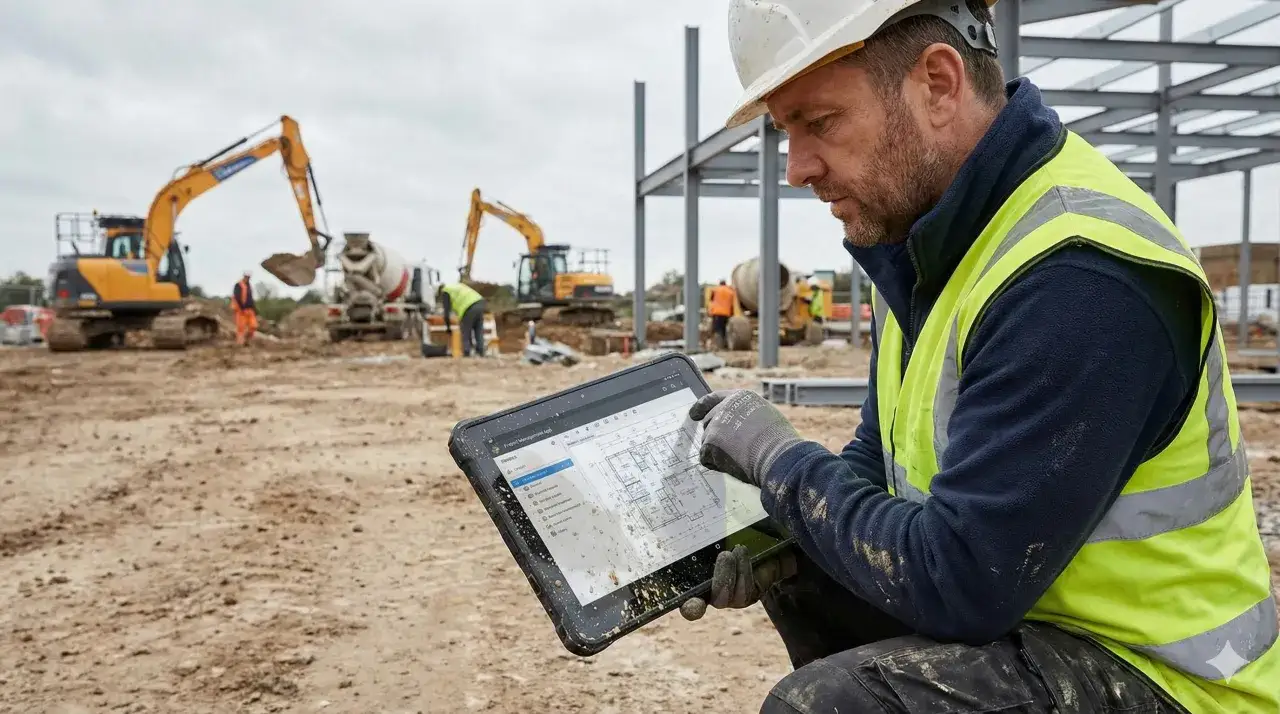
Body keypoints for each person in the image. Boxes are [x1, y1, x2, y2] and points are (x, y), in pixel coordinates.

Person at [681, 1, 1279, 713]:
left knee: (827, 706)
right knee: (807, 559)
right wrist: (779, 535)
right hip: (1034, 621)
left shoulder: (1076, 273)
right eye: (787, 133)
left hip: (1166, 676)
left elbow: (960, 580)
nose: (797, 168)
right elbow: (875, 463)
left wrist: (778, 462)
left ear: (938, 84)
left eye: (821, 122)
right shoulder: (931, 249)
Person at [438, 281, 487, 357]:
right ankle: (481, 351)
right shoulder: (456, 287)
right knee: (478, 329)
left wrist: (448, 328)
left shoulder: (445, 291)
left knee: (465, 331)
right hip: (480, 302)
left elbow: (446, 313)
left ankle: (467, 352)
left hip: (468, 307)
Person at [708, 279, 736, 349]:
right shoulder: (730, 291)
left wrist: (710, 311)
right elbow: (732, 304)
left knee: (716, 329)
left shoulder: (715, 290)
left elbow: (711, 301)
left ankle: (717, 345)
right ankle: (724, 344)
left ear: (720, 284)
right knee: (724, 329)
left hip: (716, 313)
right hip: (726, 313)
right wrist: (731, 313)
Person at [231, 271, 257, 346]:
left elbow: (250, 298)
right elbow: (237, 297)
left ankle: (247, 341)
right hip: (241, 310)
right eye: (246, 277)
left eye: (249, 277)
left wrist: (254, 309)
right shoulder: (238, 285)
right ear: (244, 276)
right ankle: (240, 344)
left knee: (253, 326)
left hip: (250, 310)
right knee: (241, 328)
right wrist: (242, 308)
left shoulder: (249, 285)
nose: (248, 278)